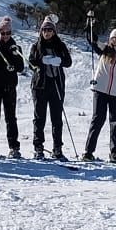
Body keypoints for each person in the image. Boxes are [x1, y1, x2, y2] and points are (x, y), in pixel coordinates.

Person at [83, 22, 116, 162]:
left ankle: (115, 152)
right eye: (113, 39)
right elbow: (92, 40)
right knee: (98, 119)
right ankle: (88, 151)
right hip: (100, 89)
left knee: (115, 122)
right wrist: (89, 27)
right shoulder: (105, 50)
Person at [28, 15, 74, 160]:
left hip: (56, 84)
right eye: (44, 30)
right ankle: (38, 147)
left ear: (54, 31)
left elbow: (68, 62)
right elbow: (31, 63)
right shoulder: (36, 46)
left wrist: (58, 61)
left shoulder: (60, 45)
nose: (47, 32)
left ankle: (57, 148)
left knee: (57, 119)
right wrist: (41, 63)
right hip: (40, 86)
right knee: (39, 118)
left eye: (49, 30)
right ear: (41, 31)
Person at [0, 19, 26, 157]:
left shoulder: (16, 48)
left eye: (8, 33)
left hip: (10, 87)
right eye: (3, 33)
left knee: (11, 117)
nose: (5, 35)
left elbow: (20, 68)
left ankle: (14, 147)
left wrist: (16, 56)